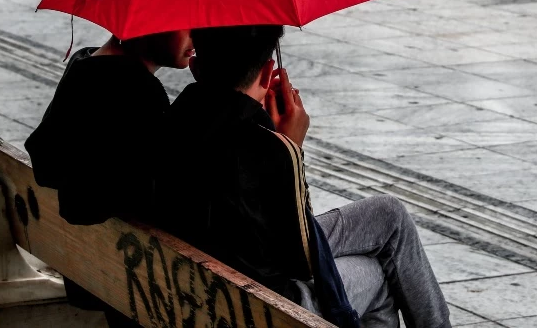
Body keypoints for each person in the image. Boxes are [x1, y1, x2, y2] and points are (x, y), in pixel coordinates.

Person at [167, 25, 452, 328]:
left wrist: (261, 125)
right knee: (374, 273)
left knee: (388, 213)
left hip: (202, 276)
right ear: (268, 73)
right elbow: (300, 258)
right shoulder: (266, 148)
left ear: (196, 67)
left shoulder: (175, 118)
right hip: (265, 304)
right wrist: (290, 147)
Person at [26, 30, 195, 327]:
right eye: (187, 25)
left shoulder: (87, 62)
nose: (197, 36)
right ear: (149, 24)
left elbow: (46, 158)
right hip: (133, 276)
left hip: (96, 268)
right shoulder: (135, 90)